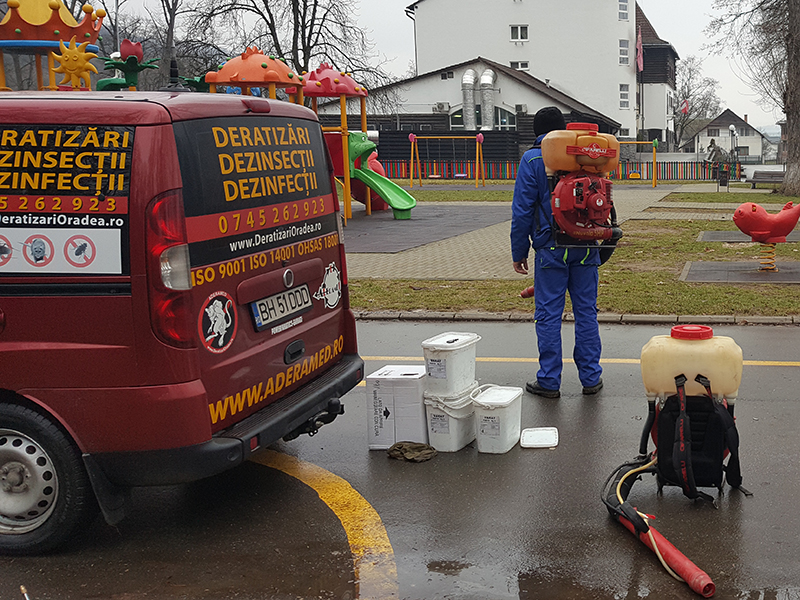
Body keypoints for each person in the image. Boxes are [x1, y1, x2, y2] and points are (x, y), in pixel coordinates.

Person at [510, 107, 603, 399]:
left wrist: (519, 251)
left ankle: (549, 381)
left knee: (549, 314)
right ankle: (591, 378)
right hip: (586, 245)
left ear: (536, 132)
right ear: (563, 128)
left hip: (551, 248)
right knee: (586, 312)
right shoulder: (584, 155)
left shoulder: (532, 158)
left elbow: (522, 210)